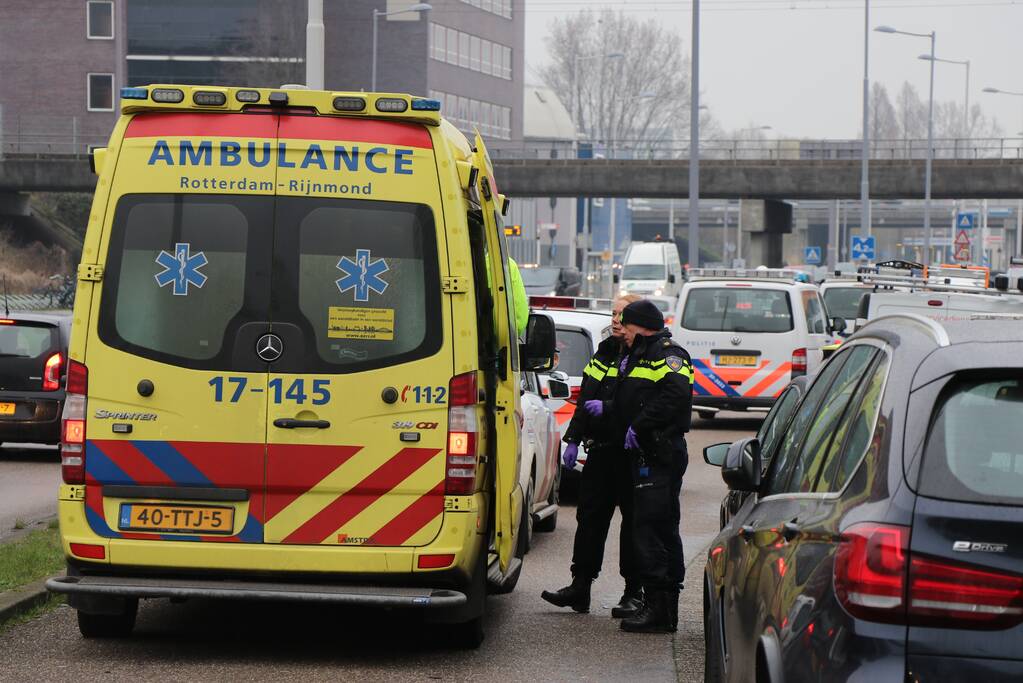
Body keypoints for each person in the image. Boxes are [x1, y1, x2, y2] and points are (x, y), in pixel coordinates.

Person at [540, 294, 644, 617]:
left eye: (622, 314)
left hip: (629, 453)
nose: (615, 320)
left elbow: (643, 403)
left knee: (634, 525)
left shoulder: (646, 356)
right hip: (599, 451)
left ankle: (633, 592)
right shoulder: (606, 351)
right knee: (589, 520)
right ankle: (580, 586)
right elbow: (587, 396)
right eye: (612, 313)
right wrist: (573, 439)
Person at [609, 299, 693, 634]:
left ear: (641, 325)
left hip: (661, 453)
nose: (622, 331)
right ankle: (657, 604)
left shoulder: (668, 353)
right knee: (650, 527)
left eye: (625, 325)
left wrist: (640, 424)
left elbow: (676, 395)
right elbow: (638, 395)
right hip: (648, 453)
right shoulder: (643, 353)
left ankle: (660, 609)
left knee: (654, 529)